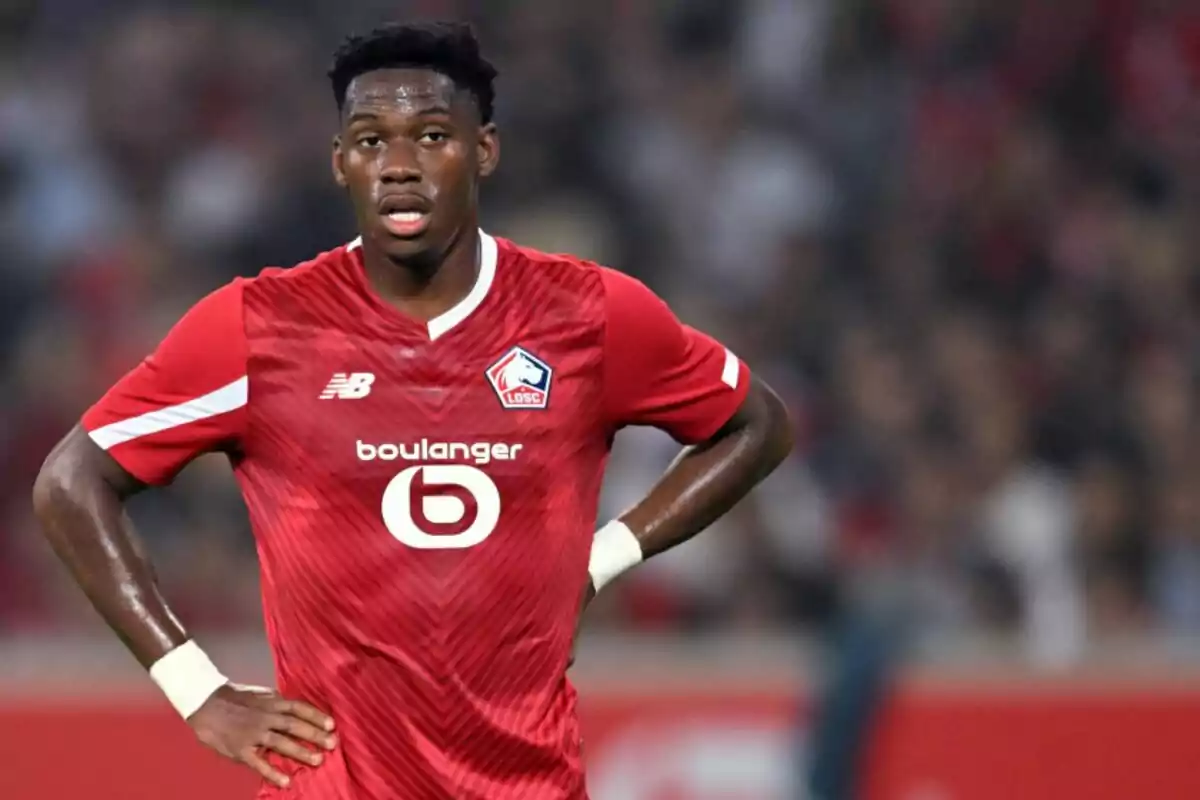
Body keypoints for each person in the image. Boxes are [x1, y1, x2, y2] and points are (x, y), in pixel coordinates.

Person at [32, 21, 793, 800]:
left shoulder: (589, 316)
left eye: (432, 136)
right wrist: (196, 687)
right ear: (340, 163)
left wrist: (603, 560)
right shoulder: (259, 328)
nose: (399, 166)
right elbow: (69, 482)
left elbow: (756, 424)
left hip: (526, 785)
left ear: (484, 150)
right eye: (370, 141)